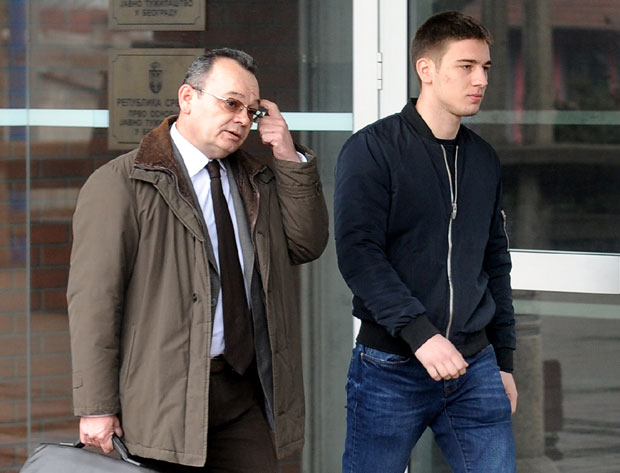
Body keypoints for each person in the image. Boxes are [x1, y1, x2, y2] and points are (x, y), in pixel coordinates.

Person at [67, 48, 328, 473]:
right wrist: (97, 406)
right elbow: (94, 302)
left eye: (252, 111)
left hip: (243, 390)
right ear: (187, 97)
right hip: (164, 398)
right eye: (231, 103)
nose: (242, 119)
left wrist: (287, 156)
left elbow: (305, 244)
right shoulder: (121, 183)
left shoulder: (254, 179)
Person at [334, 11, 517, 473]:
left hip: (475, 367)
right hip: (391, 366)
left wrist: (504, 362)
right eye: (466, 66)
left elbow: (495, 262)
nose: (481, 80)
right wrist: (421, 334)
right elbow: (359, 254)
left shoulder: (483, 159)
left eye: (485, 68)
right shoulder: (373, 149)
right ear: (426, 70)